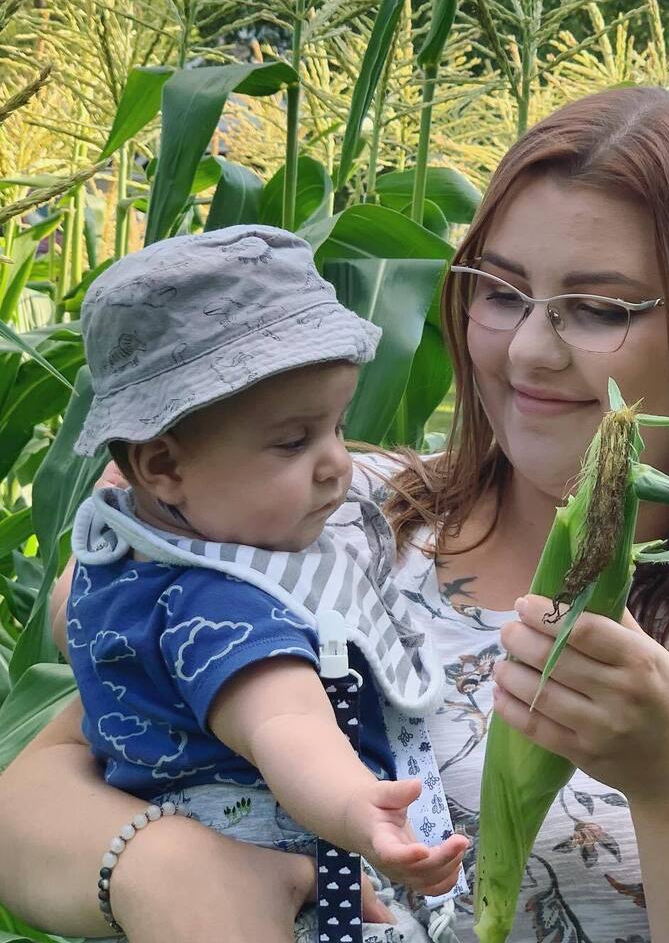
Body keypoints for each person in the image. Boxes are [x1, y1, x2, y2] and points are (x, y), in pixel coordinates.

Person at [0, 88, 669, 943]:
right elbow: (41, 796)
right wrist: (164, 869)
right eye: (501, 293)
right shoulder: (324, 514)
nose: (530, 351)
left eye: (597, 308)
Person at [49, 224, 467, 942]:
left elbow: (73, 631)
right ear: (164, 468)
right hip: (291, 895)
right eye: (293, 441)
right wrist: (359, 811)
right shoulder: (221, 601)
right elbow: (285, 722)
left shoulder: (126, 551)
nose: (339, 463)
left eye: (337, 425)